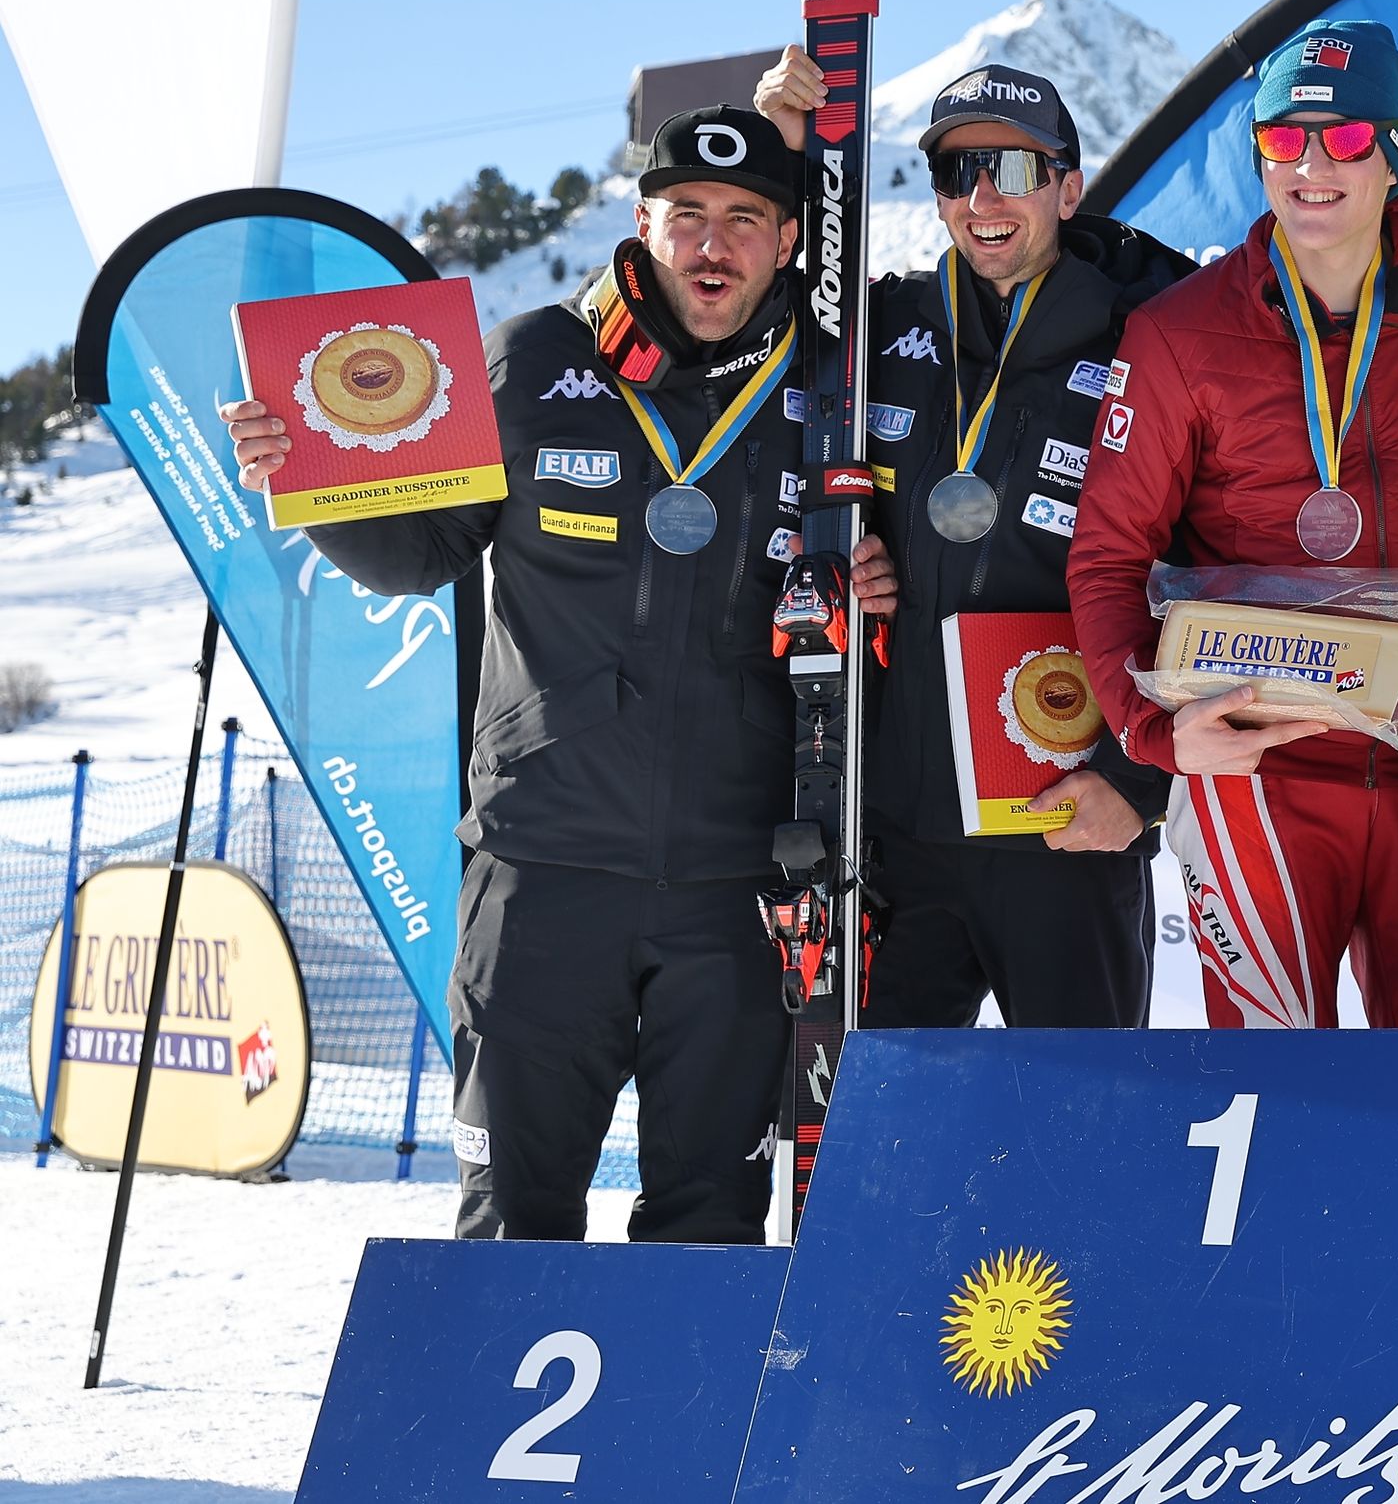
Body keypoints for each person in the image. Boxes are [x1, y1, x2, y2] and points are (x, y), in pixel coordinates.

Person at [219, 106, 897, 1243]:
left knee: (710, 1221)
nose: (713, 245)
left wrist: (879, 572)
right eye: (688, 217)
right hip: (541, 869)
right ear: (644, 224)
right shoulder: (537, 355)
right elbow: (423, 551)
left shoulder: (830, 394)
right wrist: (308, 486)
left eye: (744, 219)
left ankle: (683, 1430)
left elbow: (886, 578)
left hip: (738, 891)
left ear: (788, 242)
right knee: (513, 1219)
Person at [755, 51, 1189, 1029]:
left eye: (1018, 168)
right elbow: (741, 310)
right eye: (958, 172)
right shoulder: (885, 326)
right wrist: (782, 160)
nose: (985, 195)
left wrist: (1141, 786)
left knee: (1078, 1139)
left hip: (1071, 827)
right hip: (900, 842)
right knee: (896, 1146)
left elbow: (1201, 576)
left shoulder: (1153, 340)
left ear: (1070, 187)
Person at [1067, 19, 1398, 1030]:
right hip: (1254, 773)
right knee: (1275, 1090)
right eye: (1283, 138)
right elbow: (1106, 557)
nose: (1311, 166)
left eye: (1346, 140)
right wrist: (1154, 733)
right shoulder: (1180, 333)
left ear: (1395, 151)